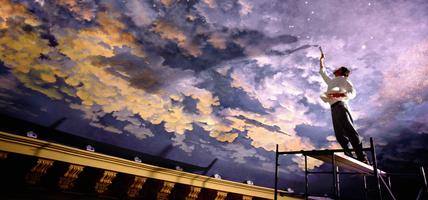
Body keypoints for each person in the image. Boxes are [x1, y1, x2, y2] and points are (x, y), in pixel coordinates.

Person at [318, 47, 368, 164]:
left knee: (350, 131)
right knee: (339, 134)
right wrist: (321, 61)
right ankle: (349, 155)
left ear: (341, 72)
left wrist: (341, 94)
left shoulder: (344, 80)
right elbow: (323, 73)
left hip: (341, 106)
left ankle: (362, 157)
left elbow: (353, 92)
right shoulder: (332, 81)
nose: (335, 69)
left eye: (338, 69)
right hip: (334, 108)